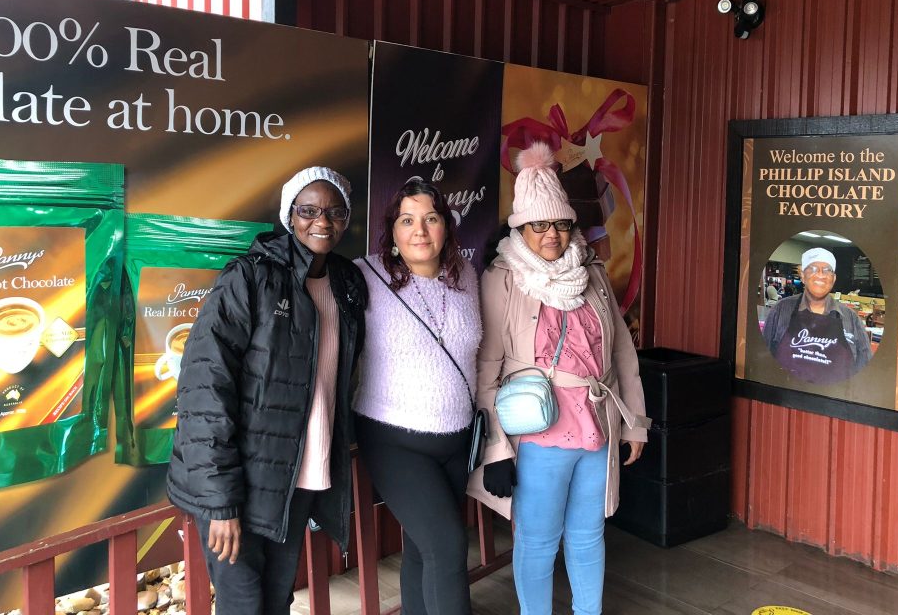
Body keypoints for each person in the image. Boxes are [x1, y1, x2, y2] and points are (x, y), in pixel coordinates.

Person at [166, 167, 367, 615]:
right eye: (309, 210)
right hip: (241, 483)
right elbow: (205, 388)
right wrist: (220, 504)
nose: (323, 221)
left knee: (276, 600)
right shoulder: (249, 278)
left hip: (299, 478)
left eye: (335, 212)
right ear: (289, 216)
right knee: (242, 603)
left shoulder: (346, 285)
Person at [469, 142, 649, 615]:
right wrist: (496, 449)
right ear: (521, 227)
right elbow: (486, 367)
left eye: (562, 224)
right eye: (540, 225)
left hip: (597, 426)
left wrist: (635, 424)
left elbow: (621, 353)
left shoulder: (591, 274)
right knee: (539, 540)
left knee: (589, 535)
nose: (553, 235)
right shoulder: (502, 279)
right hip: (538, 434)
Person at [353, 179, 482, 615]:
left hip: (455, 440)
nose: (420, 230)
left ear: (446, 225)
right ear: (392, 231)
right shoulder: (364, 275)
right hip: (394, 438)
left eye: (430, 218)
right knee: (447, 547)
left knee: (422, 549)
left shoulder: (466, 276)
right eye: (407, 220)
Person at [762, 247, 872, 384]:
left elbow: (866, 370)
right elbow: (763, 361)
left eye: (827, 270)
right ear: (803, 276)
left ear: (833, 278)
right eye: (813, 268)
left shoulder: (851, 319)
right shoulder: (780, 310)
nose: (820, 274)